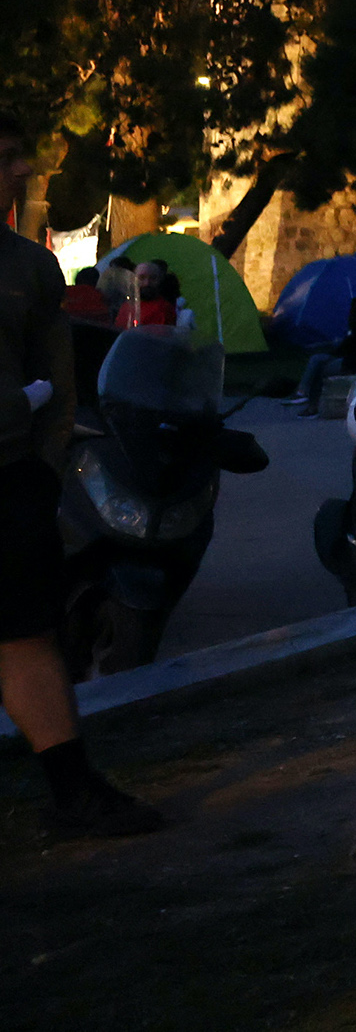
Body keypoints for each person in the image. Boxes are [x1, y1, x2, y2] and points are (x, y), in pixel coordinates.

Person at [0, 113, 163, 839]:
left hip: (9, 478)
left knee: (28, 635)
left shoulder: (28, 267)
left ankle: (73, 790)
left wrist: (43, 465)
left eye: (19, 158)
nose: (20, 173)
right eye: (6, 159)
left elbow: (57, 381)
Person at [296, 292, 356, 412]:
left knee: (319, 367)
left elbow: (348, 348)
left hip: (352, 363)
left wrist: (335, 351)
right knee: (317, 359)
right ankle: (303, 392)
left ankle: (309, 401)